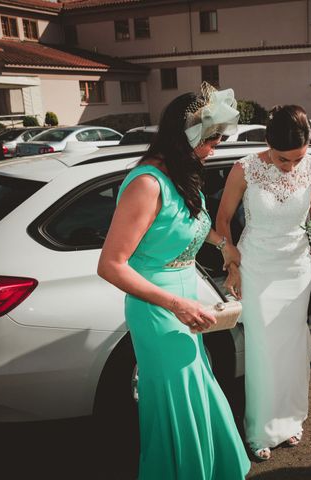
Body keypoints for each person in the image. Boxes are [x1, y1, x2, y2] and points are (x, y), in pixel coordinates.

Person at [97, 84, 250, 479]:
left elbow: (188, 228)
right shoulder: (147, 184)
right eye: (212, 139)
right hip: (158, 308)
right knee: (176, 396)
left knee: (195, 388)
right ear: (188, 137)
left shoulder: (180, 174)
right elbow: (112, 265)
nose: (215, 148)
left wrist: (223, 246)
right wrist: (177, 305)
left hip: (185, 298)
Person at [216, 105, 311, 461]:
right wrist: (231, 262)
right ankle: (260, 429)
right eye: (283, 159)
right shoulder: (244, 169)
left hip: (296, 269)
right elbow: (224, 219)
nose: (291, 167)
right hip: (258, 267)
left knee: (292, 347)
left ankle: (290, 420)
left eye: (298, 158)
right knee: (263, 350)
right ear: (267, 143)